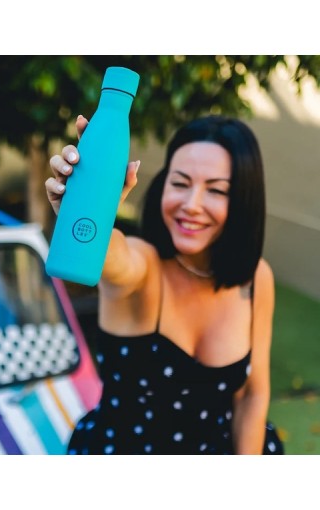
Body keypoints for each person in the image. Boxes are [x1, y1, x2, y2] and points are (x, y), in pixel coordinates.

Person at [45, 114, 284, 455]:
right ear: (163, 184)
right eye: (180, 183)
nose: (192, 205)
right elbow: (114, 257)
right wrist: (88, 211)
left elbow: (251, 393)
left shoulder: (256, 278)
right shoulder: (143, 265)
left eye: (216, 190)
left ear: (244, 201)